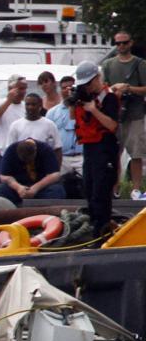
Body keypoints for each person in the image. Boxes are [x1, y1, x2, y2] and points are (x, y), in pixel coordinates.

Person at [73, 60, 120, 235]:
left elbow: (112, 125)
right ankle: (94, 227)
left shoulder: (109, 98)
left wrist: (94, 110)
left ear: (96, 79)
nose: (85, 88)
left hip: (105, 148)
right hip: (89, 148)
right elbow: (76, 118)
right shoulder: (84, 98)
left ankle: (102, 230)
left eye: (87, 84)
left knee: (101, 191)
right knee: (89, 188)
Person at [102, 31, 146, 198]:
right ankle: (115, 188)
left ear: (130, 43)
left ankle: (135, 188)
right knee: (113, 153)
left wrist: (128, 88)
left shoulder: (140, 64)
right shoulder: (108, 64)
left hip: (134, 113)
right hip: (114, 114)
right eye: (117, 43)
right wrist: (114, 89)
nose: (120, 46)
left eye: (124, 43)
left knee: (136, 152)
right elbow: (103, 87)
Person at [0, 75, 27, 191]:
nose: (22, 92)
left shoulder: (26, 106)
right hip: (0, 152)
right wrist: (9, 101)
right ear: (11, 88)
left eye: (24, 88)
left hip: (19, 153)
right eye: (19, 88)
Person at [0, 139, 64, 205]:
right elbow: (4, 176)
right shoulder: (11, 150)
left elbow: (55, 175)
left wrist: (35, 188)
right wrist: (18, 188)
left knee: (56, 191)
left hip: (41, 187)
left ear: (35, 150)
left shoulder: (45, 149)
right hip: (18, 187)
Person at [6, 94, 62, 163]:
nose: (30, 107)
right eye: (27, 104)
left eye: (33, 104)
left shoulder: (50, 124)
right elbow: (11, 150)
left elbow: (57, 149)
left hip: (44, 166)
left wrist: (56, 169)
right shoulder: (15, 125)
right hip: (22, 166)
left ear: (40, 105)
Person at [47, 76, 82, 178]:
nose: (67, 91)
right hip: (62, 158)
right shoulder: (52, 112)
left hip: (81, 157)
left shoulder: (84, 108)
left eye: (70, 87)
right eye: (64, 88)